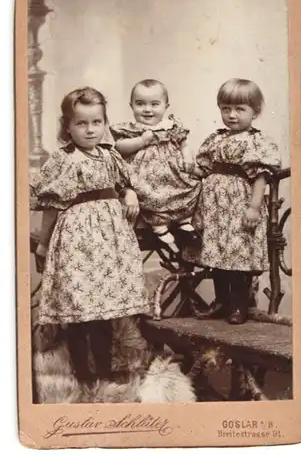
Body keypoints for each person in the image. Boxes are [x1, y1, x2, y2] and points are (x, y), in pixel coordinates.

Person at [30, 86, 151, 383]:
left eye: (96, 122)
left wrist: (131, 194)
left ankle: (105, 374)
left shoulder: (109, 156)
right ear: (68, 126)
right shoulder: (63, 160)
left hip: (109, 243)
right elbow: (51, 207)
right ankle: (83, 376)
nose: (90, 129)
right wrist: (44, 245)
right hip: (76, 243)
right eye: (81, 123)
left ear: (105, 123)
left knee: (103, 313)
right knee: (79, 313)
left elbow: (126, 183)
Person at [189, 78, 281, 324]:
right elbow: (205, 170)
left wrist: (253, 207)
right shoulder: (216, 139)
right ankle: (222, 302)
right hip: (215, 206)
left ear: (255, 112)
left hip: (239, 204)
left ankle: (239, 305)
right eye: (226, 109)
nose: (232, 115)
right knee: (216, 254)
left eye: (240, 109)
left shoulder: (255, 142)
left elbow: (260, 177)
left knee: (238, 255)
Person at [110, 79, 202, 254]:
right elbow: (119, 147)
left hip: (172, 172)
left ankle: (184, 222)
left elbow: (183, 143)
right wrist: (140, 141)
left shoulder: (170, 126)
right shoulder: (131, 128)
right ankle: (160, 227)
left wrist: (187, 156)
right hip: (144, 173)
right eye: (140, 104)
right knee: (150, 193)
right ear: (131, 106)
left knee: (189, 186)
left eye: (154, 104)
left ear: (166, 106)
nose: (147, 109)